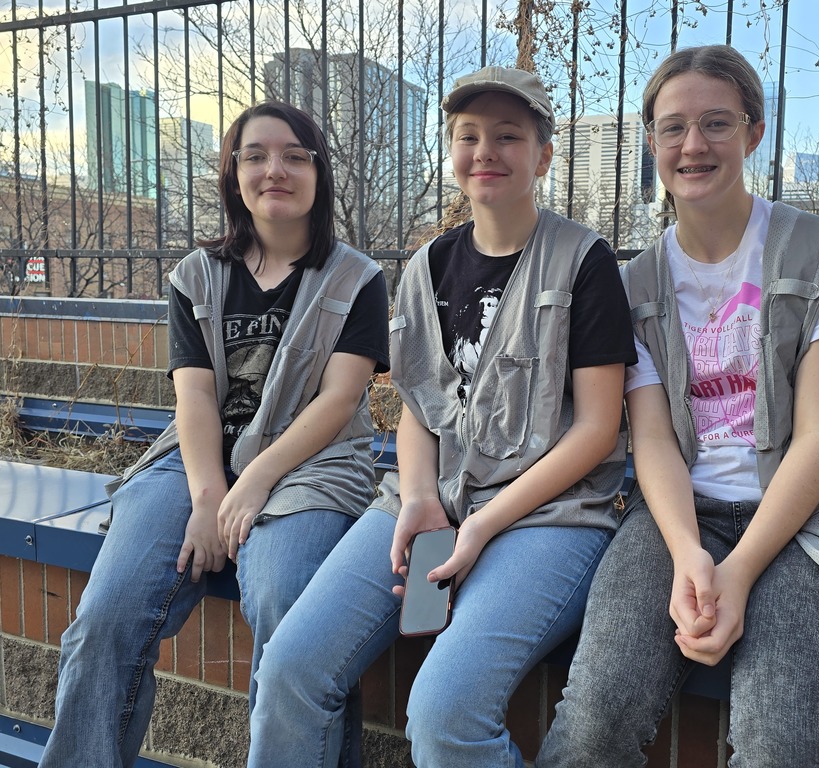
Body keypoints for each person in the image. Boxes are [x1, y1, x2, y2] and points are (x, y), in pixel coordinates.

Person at [246, 66, 637, 768]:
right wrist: (421, 498)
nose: (486, 150)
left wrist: (484, 524)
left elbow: (598, 429)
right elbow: (418, 409)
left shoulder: (585, 262)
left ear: (544, 155)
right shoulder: (428, 265)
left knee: (445, 712)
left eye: (509, 136)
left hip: (549, 517)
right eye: (469, 135)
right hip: (434, 501)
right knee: (290, 669)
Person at [537, 44, 819, 767]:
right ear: (652, 142)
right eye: (673, 127)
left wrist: (737, 570)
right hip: (679, 514)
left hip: (806, 519)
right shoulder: (635, 283)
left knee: (779, 744)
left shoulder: (815, 252)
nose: (693, 145)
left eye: (716, 123)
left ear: (754, 133)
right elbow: (655, 442)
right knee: (592, 726)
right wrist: (690, 553)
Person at [40, 101, 389, 768]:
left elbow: (339, 399)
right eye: (254, 156)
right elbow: (194, 396)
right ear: (233, 175)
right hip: (194, 462)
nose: (273, 170)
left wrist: (250, 484)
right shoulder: (197, 275)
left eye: (293, 155)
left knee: (291, 612)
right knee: (107, 616)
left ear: (319, 172)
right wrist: (208, 497)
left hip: (308, 465)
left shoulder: (357, 278)